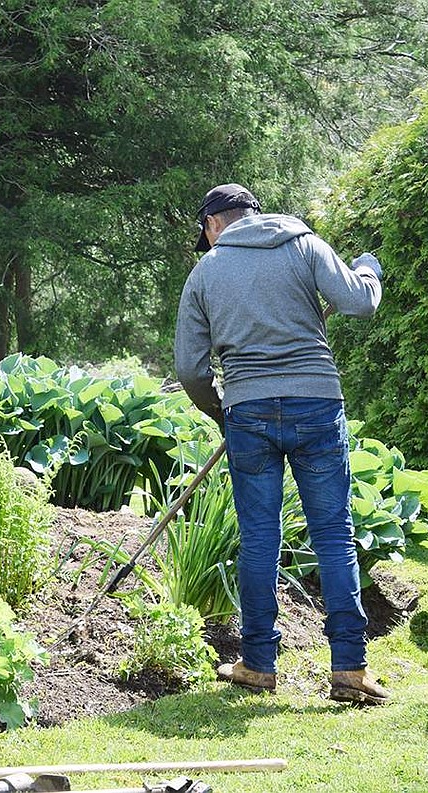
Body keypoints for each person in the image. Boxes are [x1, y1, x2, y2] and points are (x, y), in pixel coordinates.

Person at [174, 183, 390, 705]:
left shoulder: (205, 272)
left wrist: (223, 411)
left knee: (259, 539)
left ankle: (258, 664)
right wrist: (370, 270)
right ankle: (350, 670)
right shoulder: (304, 244)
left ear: (212, 226)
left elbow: (190, 368)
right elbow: (359, 302)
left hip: (248, 410)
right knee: (334, 535)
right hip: (317, 403)